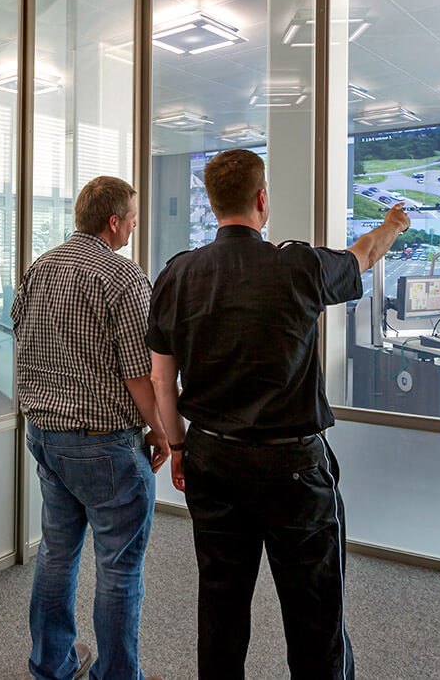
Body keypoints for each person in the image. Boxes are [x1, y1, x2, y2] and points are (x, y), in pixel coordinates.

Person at [146, 149, 409, 679]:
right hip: (293, 471)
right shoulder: (300, 265)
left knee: (220, 615)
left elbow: (160, 379)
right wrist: (393, 225)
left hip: (212, 461)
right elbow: (363, 255)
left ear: (213, 202)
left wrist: (177, 447)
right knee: (315, 619)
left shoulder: (178, 274)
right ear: (262, 199)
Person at [13, 175, 170, 680]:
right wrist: (161, 431)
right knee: (119, 568)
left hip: (45, 437)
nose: (134, 227)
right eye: (133, 219)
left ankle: (50, 664)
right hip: (104, 445)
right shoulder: (122, 277)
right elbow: (139, 374)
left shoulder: (39, 268)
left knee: (56, 556)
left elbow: (20, 339)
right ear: (113, 221)